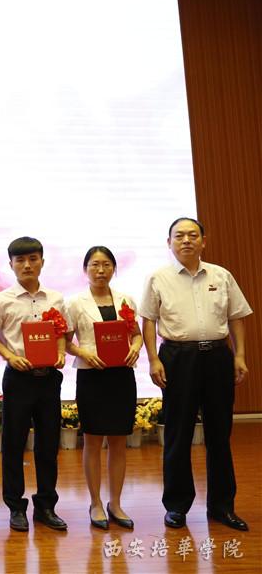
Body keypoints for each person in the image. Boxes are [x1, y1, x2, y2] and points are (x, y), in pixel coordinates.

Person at [140, 217, 252, 531]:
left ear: (203, 241)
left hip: (217, 356)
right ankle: (177, 506)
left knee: (220, 433)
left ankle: (222, 506)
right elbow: (148, 320)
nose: (186, 240)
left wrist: (239, 355)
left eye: (192, 235)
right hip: (178, 358)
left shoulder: (221, 275)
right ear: (169, 242)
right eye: (179, 236)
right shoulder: (158, 278)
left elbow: (236, 317)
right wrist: (153, 359)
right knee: (178, 433)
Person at [0, 236, 71, 532]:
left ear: (42, 262)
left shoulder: (56, 299)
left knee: (48, 444)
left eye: (33, 259)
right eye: (20, 260)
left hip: (48, 379)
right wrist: (11, 357)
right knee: (13, 444)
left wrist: (60, 352)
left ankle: (46, 506)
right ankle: (15, 506)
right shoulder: (1, 300)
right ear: (11, 264)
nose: (27, 265)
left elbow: (62, 332)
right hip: (18, 379)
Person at [66, 246, 143, 530]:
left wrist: (135, 348)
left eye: (107, 264)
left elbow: (136, 335)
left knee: (119, 441)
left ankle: (116, 503)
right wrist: (83, 353)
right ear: (85, 269)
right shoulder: (75, 303)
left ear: (114, 268)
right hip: (92, 377)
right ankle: (96, 502)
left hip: (122, 376)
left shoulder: (126, 300)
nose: (101, 270)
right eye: (95, 265)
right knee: (93, 440)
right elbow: (65, 342)